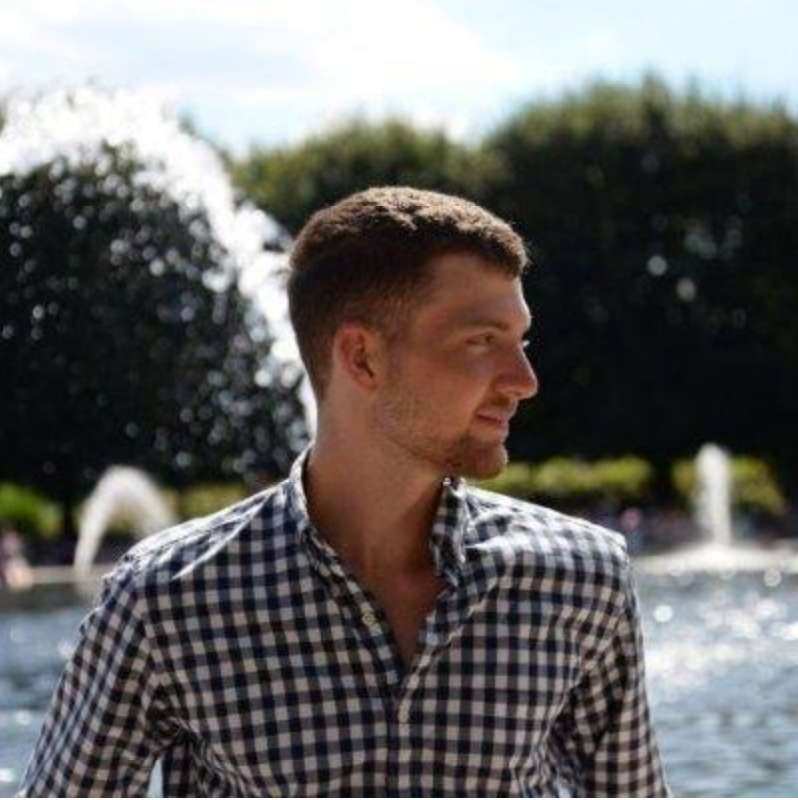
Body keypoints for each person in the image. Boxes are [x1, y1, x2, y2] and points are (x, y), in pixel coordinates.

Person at [18, 187, 670, 797]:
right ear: (362, 358)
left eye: (520, 341)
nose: (524, 380)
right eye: (482, 341)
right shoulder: (166, 597)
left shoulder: (581, 578)